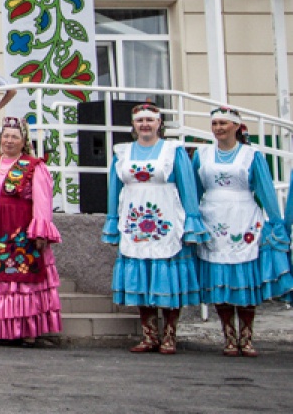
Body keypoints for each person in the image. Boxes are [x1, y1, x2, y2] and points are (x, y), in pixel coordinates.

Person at [102, 103, 206, 356]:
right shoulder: (122, 152)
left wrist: (191, 220)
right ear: (133, 124)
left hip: (166, 218)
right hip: (134, 219)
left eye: (150, 120)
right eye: (140, 120)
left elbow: (187, 187)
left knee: (167, 277)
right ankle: (149, 335)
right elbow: (114, 188)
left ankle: (169, 335)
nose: (145, 124)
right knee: (141, 274)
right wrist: (113, 219)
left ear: (159, 123)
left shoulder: (173, 151)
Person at [195, 107, 292, 357]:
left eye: (224, 123)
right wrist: (190, 220)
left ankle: (246, 337)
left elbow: (265, 189)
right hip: (213, 218)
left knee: (245, 278)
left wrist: (277, 222)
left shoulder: (251, 155)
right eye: (215, 123)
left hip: (243, 218)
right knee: (220, 279)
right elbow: (194, 191)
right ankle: (229, 337)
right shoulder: (202, 154)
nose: (218, 128)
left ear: (237, 126)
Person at [0, 117, 62, 345]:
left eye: (14, 137)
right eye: (6, 136)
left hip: (21, 229)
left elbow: (42, 200)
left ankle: (27, 330)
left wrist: (40, 230)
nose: (9, 141)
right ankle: (1, 328)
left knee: (22, 279)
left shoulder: (34, 166)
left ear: (24, 141)